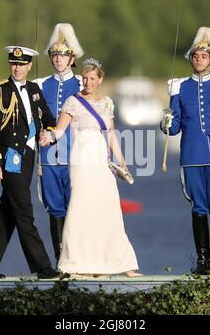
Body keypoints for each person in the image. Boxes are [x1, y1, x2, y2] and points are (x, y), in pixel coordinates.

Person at [40, 58, 141, 277]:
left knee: (109, 207)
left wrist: (122, 160)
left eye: (92, 78)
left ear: (100, 79)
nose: (88, 82)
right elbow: (59, 130)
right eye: (85, 78)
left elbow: (111, 133)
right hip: (81, 161)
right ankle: (76, 263)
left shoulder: (107, 102)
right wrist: (49, 137)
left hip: (101, 161)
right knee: (81, 209)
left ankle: (120, 263)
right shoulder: (72, 101)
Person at [0, 46, 60, 279]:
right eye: (14, 64)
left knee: (8, 210)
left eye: (22, 64)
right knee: (24, 211)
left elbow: (48, 118)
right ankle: (43, 266)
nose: (17, 68)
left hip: (29, 158)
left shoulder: (33, 89)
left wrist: (47, 132)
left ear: (29, 66)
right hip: (10, 159)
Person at [160, 27, 210, 275]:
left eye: (204, 56)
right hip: (191, 154)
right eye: (196, 56)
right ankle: (202, 260)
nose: (199, 59)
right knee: (198, 206)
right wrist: (165, 123)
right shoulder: (179, 87)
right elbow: (173, 129)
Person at [34, 23, 83, 266]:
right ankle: (60, 259)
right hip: (49, 154)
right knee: (55, 208)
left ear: (71, 57)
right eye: (54, 55)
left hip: (76, 153)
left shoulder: (83, 84)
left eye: (62, 55)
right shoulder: (41, 84)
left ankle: (78, 257)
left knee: (77, 207)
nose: (58, 59)